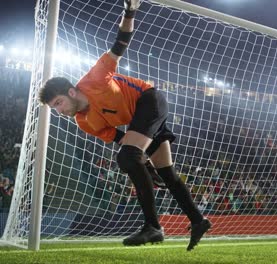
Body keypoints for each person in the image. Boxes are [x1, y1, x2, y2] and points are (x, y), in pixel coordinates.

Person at [38, 0, 211, 250]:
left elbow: (120, 42)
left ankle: (153, 226)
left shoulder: (94, 79)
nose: (59, 110)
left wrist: (129, 11)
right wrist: (144, 161)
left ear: (72, 92)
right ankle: (198, 220)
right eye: (54, 108)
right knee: (165, 173)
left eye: (58, 103)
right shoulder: (84, 122)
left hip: (149, 100)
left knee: (128, 158)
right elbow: (120, 137)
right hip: (138, 122)